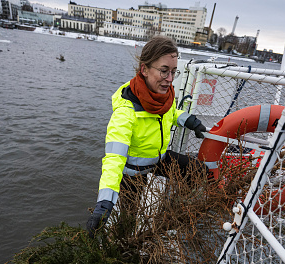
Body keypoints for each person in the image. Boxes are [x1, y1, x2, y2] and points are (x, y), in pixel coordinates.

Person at [86, 35, 208, 237]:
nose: (169, 79)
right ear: (144, 69)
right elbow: (113, 159)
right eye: (163, 71)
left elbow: (171, 113)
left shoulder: (163, 97)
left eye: (173, 72)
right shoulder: (125, 113)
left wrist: (188, 120)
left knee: (198, 171)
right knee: (128, 223)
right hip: (133, 173)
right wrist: (104, 203)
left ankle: (176, 215)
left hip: (159, 159)